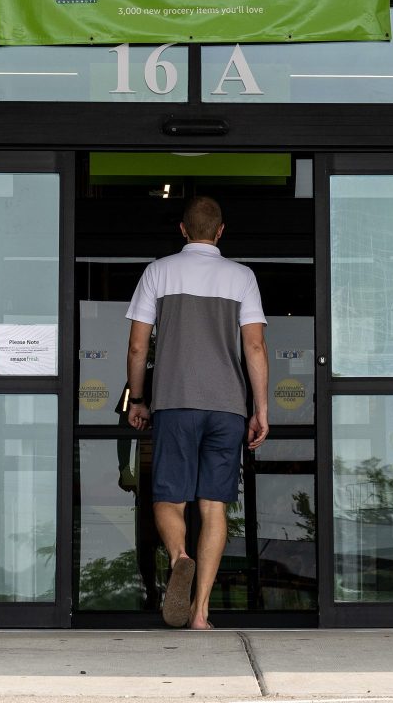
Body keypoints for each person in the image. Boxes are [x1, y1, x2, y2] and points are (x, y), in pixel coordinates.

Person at [124, 195, 269, 629]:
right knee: (214, 507)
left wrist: (137, 397)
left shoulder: (158, 272)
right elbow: (255, 347)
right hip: (226, 408)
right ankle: (201, 614)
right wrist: (260, 409)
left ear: (183, 230)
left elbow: (137, 345)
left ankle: (179, 556)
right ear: (220, 231)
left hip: (175, 402)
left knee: (169, 497)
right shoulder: (242, 277)